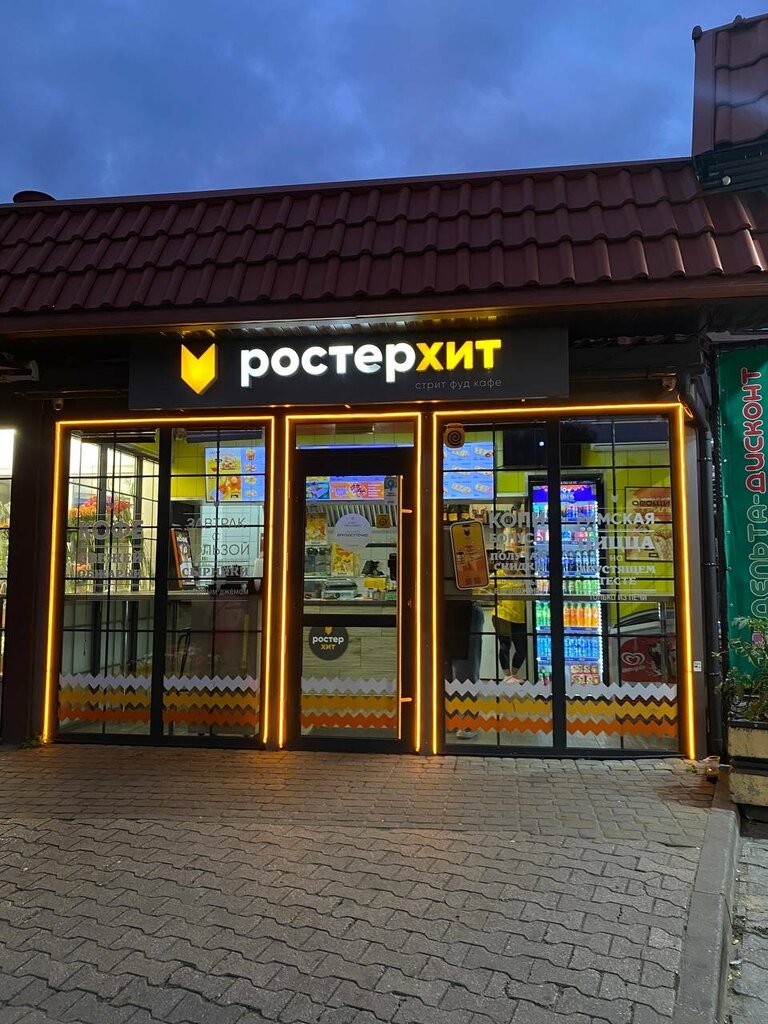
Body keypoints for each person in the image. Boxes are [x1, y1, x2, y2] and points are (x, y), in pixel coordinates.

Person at [492, 569, 528, 682]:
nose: (511, 565)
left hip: (519, 617)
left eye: (513, 562)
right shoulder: (497, 575)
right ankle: (507, 675)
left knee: (522, 648)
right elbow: (482, 588)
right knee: (505, 644)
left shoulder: (522, 576)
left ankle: (514, 674)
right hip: (502, 615)